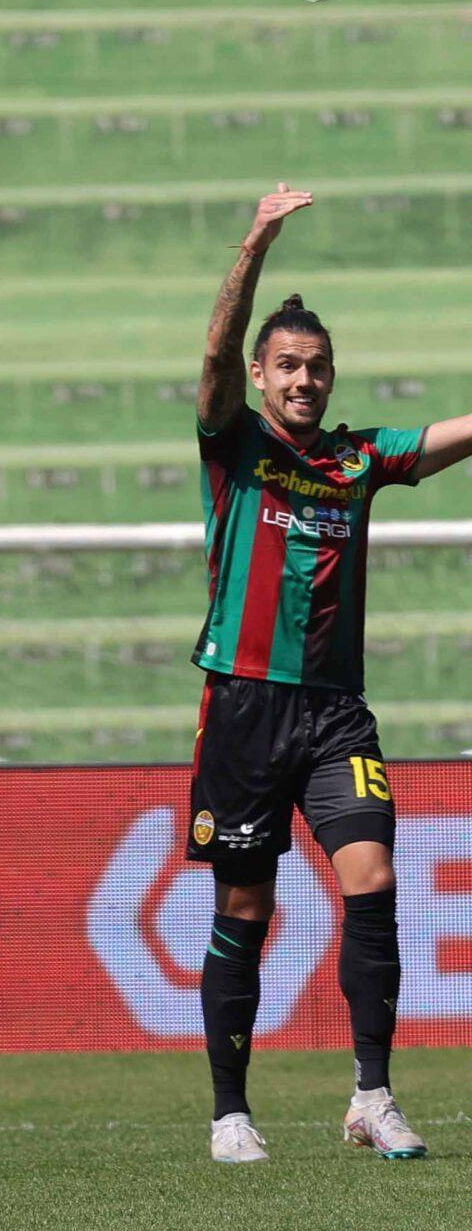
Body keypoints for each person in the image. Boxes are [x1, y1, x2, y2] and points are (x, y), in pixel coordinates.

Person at [188, 183, 472, 1164]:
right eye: (289, 366)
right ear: (263, 377)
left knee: (373, 878)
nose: (303, 380)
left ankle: (370, 1096)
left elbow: (446, 438)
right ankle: (231, 1112)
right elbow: (214, 353)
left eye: (316, 367)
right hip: (242, 706)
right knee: (244, 909)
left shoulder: (356, 459)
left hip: (335, 715)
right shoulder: (233, 445)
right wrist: (255, 242)